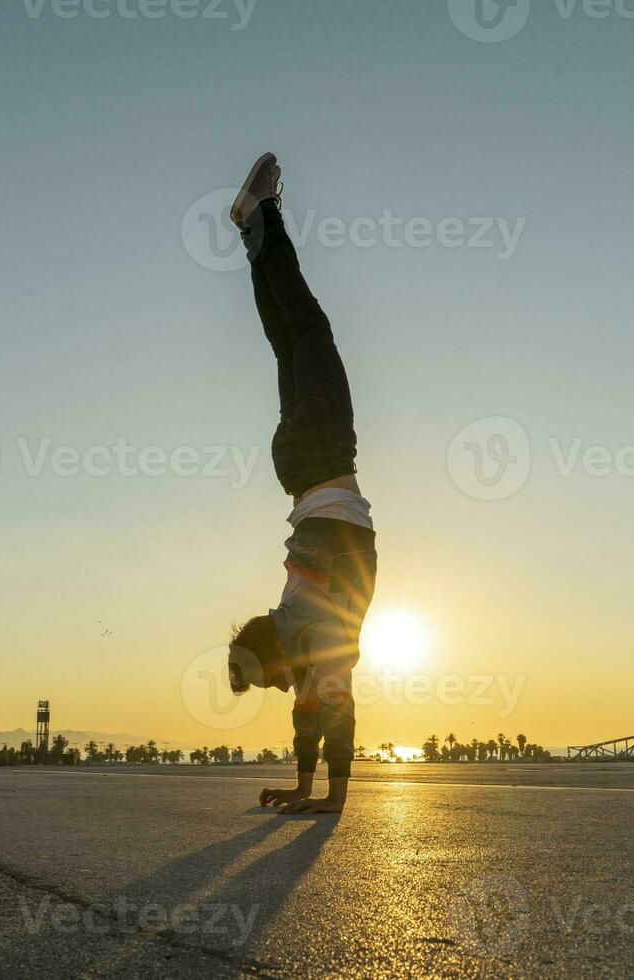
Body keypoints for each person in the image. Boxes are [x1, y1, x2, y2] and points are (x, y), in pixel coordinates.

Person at [224, 153, 377, 815]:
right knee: (290, 344)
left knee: (308, 331)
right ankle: (253, 233)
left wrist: (331, 798)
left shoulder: (319, 647)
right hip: (295, 473)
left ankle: (262, 216)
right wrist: (302, 788)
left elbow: (333, 712)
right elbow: (310, 715)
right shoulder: (295, 635)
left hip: (323, 460)